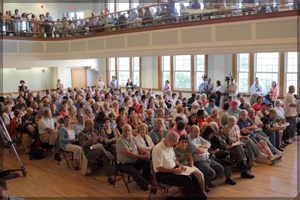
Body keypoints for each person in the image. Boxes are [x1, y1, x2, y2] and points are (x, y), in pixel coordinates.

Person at [152, 131, 205, 199]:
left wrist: (180, 165)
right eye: (175, 142)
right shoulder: (158, 149)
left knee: (192, 174)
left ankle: (200, 196)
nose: (175, 144)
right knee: (186, 179)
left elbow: (174, 159)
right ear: (169, 139)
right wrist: (174, 171)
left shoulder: (169, 145)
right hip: (163, 174)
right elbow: (159, 168)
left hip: (173, 169)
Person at [116, 125, 155, 193]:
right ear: (122, 131)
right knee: (133, 170)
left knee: (148, 160)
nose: (127, 132)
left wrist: (146, 152)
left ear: (131, 131)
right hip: (124, 164)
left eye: (129, 130)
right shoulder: (120, 141)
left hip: (134, 161)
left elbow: (138, 148)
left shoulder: (133, 137)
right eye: (125, 130)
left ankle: (145, 179)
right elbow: (129, 154)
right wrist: (142, 157)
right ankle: (147, 186)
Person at [188, 125, 224, 192]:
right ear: (190, 132)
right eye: (195, 132)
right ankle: (202, 186)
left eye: (198, 132)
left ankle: (208, 182)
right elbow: (198, 151)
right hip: (199, 161)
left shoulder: (198, 137)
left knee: (220, 169)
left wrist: (202, 147)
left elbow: (208, 143)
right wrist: (205, 148)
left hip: (207, 158)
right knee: (211, 173)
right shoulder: (189, 140)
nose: (197, 134)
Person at [78, 119, 115, 184]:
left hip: (99, 148)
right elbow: (83, 144)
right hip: (89, 151)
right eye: (92, 124)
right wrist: (91, 140)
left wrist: (101, 139)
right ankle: (111, 159)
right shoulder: (82, 134)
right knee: (104, 152)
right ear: (87, 125)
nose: (93, 125)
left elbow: (101, 141)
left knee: (104, 154)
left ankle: (109, 177)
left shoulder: (95, 131)